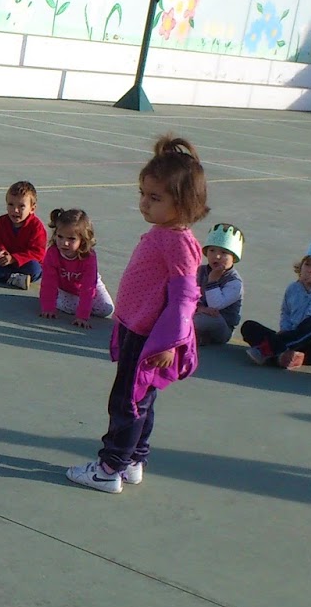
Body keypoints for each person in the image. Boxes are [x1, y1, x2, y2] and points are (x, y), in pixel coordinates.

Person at [66, 135, 207, 494]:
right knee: (141, 399)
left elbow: (183, 299)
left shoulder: (176, 242)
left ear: (184, 202)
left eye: (155, 197)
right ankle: (133, 460)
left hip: (148, 337)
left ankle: (108, 468)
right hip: (136, 328)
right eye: (142, 193)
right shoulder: (165, 233)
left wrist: (169, 343)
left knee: (126, 401)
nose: (144, 203)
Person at [239, 237, 311, 369]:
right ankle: (286, 357)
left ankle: (270, 350)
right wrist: (285, 330)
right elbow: (286, 311)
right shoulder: (294, 288)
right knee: (249, 327)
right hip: (295, 340)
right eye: (307, 264)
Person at [37, 207, 113, 327]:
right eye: (60, 237)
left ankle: (78, 304)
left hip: (88, 285)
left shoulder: (89, 257)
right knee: (70, 307)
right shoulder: (52, 253)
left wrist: (82, 316)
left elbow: (88, 287)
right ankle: (59, 300)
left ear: (82, 240)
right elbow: (48, 282)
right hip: (64, 287)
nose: (64, 243)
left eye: (71, 239)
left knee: (106, 309)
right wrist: (48, 308)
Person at [0, 181, 46, 290]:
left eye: (21, 206)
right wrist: (0, 252)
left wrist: (14, 259)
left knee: (35, 269)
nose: (15, 210)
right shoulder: (2, 221)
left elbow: (38, 252)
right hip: (4, 261)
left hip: (22, 264)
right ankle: (10, 278)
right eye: (11, 204)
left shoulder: (36, 227)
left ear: (32, 208)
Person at [194, 223, 245, 345]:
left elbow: (215, 305)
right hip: (198, 312)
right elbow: (186, 293)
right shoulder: (199, 271)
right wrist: (200, 308)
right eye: (212, 250)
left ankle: (184, 334)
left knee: (208, 319)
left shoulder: (234, 282)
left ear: (234, 257)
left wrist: (212, 281)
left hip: (221, 326)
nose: (216, 256)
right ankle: (197, 338)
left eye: (224, 253)